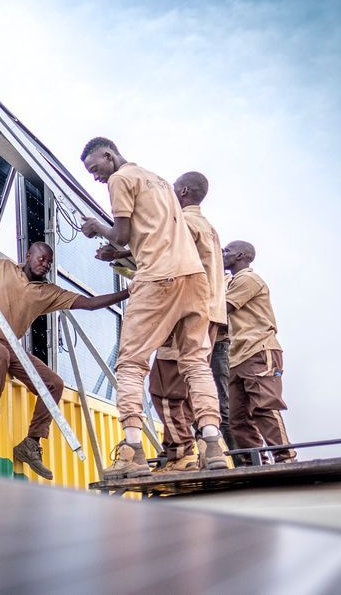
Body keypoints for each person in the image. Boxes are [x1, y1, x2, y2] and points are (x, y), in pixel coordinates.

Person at [80, 138, 227, 478]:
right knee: (195, 364)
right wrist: (122, 252)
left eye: (95, 168)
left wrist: (96, 229)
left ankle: (132, 449)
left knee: (131, 363)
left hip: (157, 278)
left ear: (108, 154)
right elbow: (154, 234)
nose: (96, 177)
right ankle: (211, 442)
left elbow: (120, 232)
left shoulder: (120, 179)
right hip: (194, 280)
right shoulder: (160, 181)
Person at [0, 242, 130, 480]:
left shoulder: (49, 292)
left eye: (49, 261)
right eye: (41, 258)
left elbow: (90, 304)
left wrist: (129, 292)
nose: (45, 264)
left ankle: (31, 443)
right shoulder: (5, 268)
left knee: (53, 383)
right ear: (28, 255)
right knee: (0, 355)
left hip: (10, 345)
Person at [222, 240, 296, 464]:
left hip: (259, 349)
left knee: (264, 406)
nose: (223, 254)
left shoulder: (248, 279)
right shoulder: (232, 280)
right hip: (237, 355)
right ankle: (255, 462)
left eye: (227, 251)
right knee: (238, 417)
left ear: (241, 256)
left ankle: (285, 457)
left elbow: (222, 307)